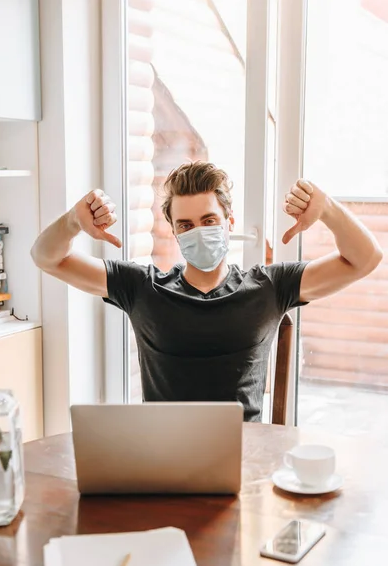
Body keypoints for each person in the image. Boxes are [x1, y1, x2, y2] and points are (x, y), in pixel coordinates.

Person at [31, 161, 383, 421]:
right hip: (162, 456)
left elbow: (365, 259)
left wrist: (328, 210)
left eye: (209, 221)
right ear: (173, 230)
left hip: (246, 457)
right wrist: (74, 221)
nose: (197, 231)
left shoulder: (269, 287)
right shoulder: (141, 287)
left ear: (229, 223)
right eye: (185, 224)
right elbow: (46, 257)